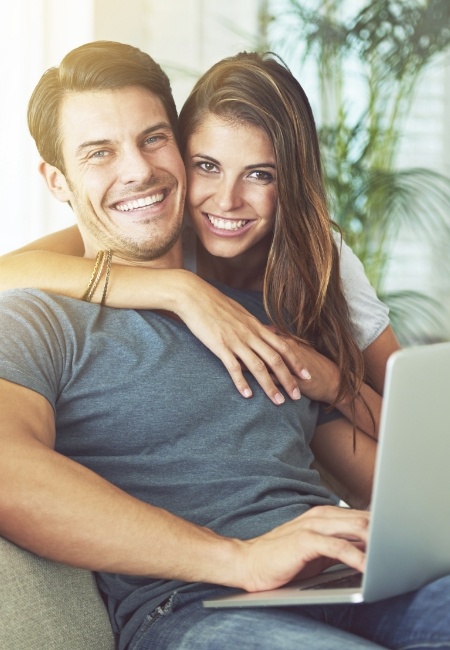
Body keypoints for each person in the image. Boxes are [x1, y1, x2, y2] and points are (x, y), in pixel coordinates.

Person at [1, 41, 448, 650]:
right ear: (57, 180)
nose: (137, 170)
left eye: (153, 139)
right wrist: (240, 559)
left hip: (342, 580)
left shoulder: (262, 308)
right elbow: (7, 473)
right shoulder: (38, 321)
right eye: (100, 152)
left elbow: (395, 483)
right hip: (196, 608)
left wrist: (394, 531)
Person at [0, 55, 399, 409]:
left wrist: (329, 381)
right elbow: (9, 272)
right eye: (207, 166)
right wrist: (183, 291)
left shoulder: (320, 256)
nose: (226, 201)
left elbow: (414, 422)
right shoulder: (165, 225)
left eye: (260, 175)